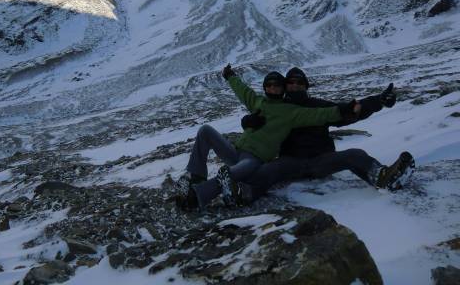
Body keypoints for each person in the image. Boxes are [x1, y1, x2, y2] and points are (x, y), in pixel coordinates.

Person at [174, 64, 358, 211]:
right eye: (268, 85)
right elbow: (242, 91)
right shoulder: (257, 102)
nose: (272, 88)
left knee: (230, 174)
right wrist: (230, 76)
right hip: (236, 151)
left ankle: (196, 197)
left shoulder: (291, 111)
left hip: (255, 160)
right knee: (205, 130)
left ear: (282, 88)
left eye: (277, 85)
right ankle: (196, 175)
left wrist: (344, 109)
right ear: (265, 87)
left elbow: (320, 115)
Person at [236, 67, 415, 204]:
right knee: (269, 170)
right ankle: (243, 193)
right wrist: (247, 121)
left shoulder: (318, 106)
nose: (295, 86)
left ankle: (383, 177)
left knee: (355, 155)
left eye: (299, 83)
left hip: (321, 161)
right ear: (285, 86)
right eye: (291, 82)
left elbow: (348, 112)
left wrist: (378, 102)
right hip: (290, 162)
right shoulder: (277, 108)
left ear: (306, 86)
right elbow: (257, 116)